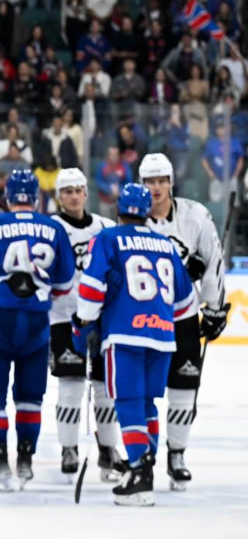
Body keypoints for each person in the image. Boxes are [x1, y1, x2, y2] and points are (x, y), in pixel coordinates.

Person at [73, 183, 196, 506]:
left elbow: (92, 286)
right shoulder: (166, 244)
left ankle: (140, 473)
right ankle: (144, 467)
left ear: (118, 209)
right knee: (146, 404)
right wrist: (159, 318)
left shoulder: (108, 238)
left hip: (124, 333)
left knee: (127, 402)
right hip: (162, 336)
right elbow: (185, 302)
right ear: (146, 212)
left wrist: (84, 320)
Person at [0, 170, 74, 491]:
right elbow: (65, 284)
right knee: (30, 396)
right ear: (36, 198)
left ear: (7, 197)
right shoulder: (54, 228)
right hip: (37, 321)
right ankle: (25, 458)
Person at [139, 153, 229, 490]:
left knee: (184, 389)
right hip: (144, 319)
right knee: (143, 392)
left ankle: (177, 455)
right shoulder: (132, 218)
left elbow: (213, 260)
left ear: (171, 182)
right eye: (150, 181)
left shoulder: (195, 215)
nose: (156, 187)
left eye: (162, 180)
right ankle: (142, 455)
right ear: (142, 184)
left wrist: (215, 307)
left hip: (183, 315)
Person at [48, 168, 123, 481]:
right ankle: (69, 449)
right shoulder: (51, 228)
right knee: (71, 385)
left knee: (105, 388)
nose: (74, 196)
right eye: (67, 191)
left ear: (86, 193)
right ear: (59, 196)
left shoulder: (105, 227)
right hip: (64, 316)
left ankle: (108, 449)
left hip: (103, 318)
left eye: (78, 190)